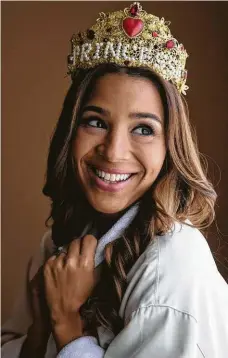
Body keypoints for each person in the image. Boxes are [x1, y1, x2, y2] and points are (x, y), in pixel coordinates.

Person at [2, 2, 228, 357]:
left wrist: (66, 323)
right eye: (96, 122)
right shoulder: (56, 242)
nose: (113, 152)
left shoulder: (171, 267)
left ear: (171, 146)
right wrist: (40, 330)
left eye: (143, 129)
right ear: (69, 132)